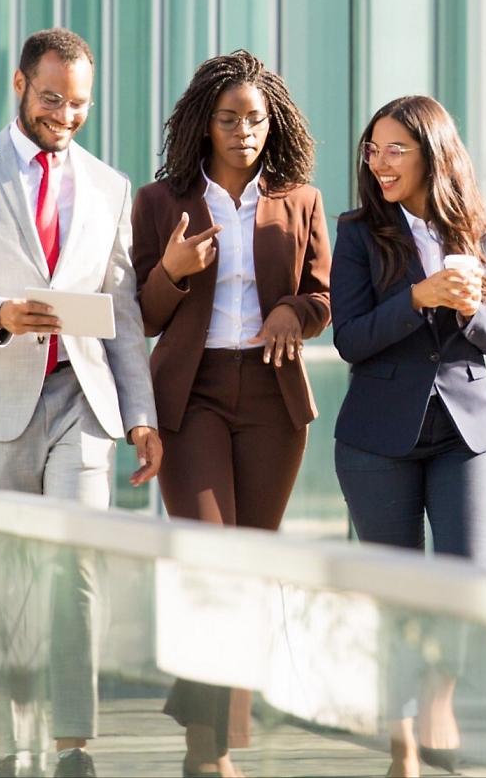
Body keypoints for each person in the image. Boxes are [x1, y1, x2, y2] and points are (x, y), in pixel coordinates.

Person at [0, 28, 162, 778]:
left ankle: (73, 746)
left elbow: (121, 311)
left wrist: (141, 415)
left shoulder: (111, 186)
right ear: (19, 85)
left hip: (81, 402)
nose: (65, 114)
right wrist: (1, 314)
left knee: (75, 567)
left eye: (79, 103)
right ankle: (13, 742)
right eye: (52, 97)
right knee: (6, 577)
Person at [131, 51, 330, 778]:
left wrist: (290, 311)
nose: (244, 130)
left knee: (247, 572)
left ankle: (213, 744)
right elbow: (142, 317)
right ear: (204, 125)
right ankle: (206, 751)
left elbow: (323, 300)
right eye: (228, 118)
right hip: (193, 398)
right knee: (211, 566)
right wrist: (170, 273)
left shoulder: (299, 201)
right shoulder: (161, 202)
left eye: (255, 117)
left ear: (270, 122)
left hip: (273, 402)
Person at [331, 95, 486, 778]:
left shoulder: (485, 228)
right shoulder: (355, 233)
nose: (378, 164)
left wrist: (469, 309)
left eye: (394, 151)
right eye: (371, 150)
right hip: (377, 440)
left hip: (466, 436)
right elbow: (349, 339)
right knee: (395, 592)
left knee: (467, 578)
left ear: (432, 154)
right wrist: (417, 299)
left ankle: (441, 698)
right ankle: (401, 740)